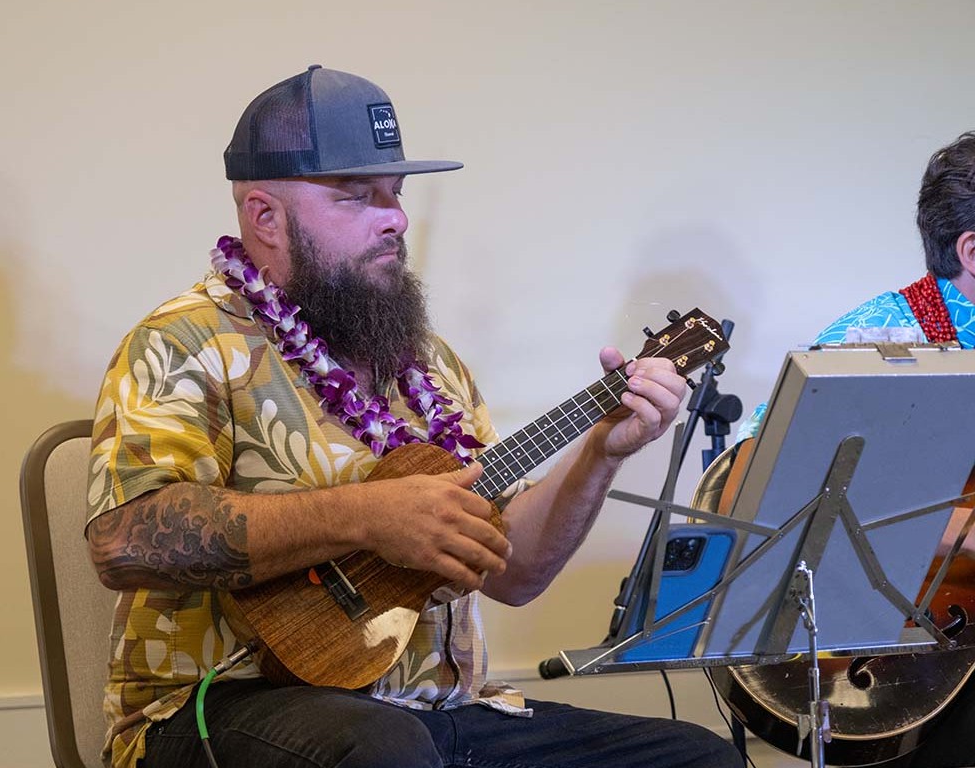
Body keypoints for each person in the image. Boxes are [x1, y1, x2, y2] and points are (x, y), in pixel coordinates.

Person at [84, 65, 743, 768]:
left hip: (439, 714)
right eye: (357, 195)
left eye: (396, 193)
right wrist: (366, 516)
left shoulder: (429, 364)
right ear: (264, 216)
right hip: (221, 709)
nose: (395, 218)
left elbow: (514, 573)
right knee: (381, 748)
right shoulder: (183, 341)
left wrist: (600, 453)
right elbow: (125, 541)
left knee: (694, 757)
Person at [734, 130, 975, 768]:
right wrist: (956, 532)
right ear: (972, 251)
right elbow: (751, 486)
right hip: (899, 655)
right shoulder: (883, 338)